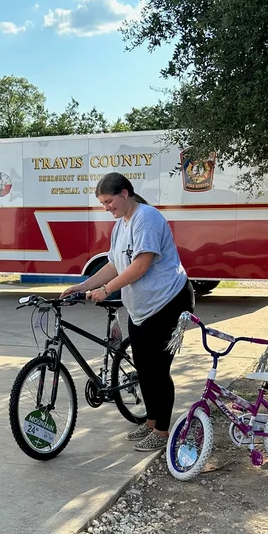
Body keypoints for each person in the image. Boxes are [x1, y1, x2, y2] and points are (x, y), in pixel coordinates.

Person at [64, 172, 193, 451]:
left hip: (168, 302)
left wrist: (107, 290)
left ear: (125, 193)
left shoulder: (146, 218)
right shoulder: (121, 225)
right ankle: (150, 422)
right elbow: (114, 264)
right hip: (142, 309)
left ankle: (162, 432)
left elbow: (141, 265)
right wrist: (83, 285)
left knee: (158, 370)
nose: (106, 207)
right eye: (102, 203)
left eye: (109, 201)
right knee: (144, 369)